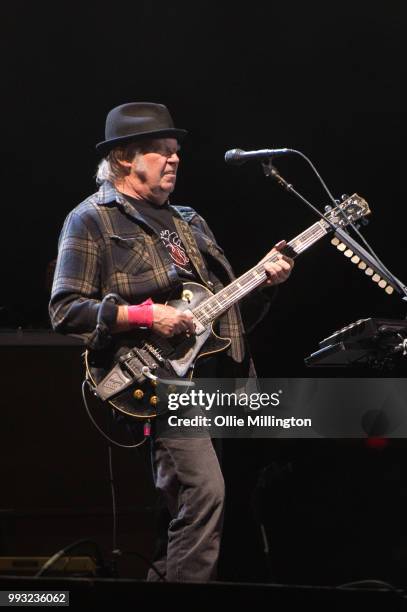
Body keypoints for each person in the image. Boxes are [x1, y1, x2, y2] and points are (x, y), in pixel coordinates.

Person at [49, 102, 294, 582]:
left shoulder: (189, 222)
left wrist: (265, 282)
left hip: (211, 380)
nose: (174, 159)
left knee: (186, 509)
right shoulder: (93, 219)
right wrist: (145, 315)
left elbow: (229, 319)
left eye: (175, 151)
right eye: (161, 151)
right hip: (153, 380)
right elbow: (65, 310)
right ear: (124, 158)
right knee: (204, 493)